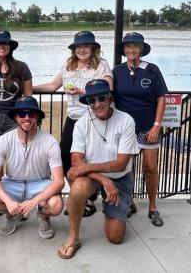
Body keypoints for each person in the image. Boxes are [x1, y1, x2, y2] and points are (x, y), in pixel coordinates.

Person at [33, 30, 113, 217]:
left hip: (93, 118)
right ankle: (79, 194)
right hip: (73, 118)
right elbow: (53, 86)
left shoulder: (101, 65)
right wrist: (29, 89)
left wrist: (84, 92)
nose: (82, 49)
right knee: (64, 157)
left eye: (86, 46)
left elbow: (109, 88)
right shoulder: (68, 65)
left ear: (93, 48)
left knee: (90, 159)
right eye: (78, 46)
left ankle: (89, 199)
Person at [57, 79, 139, 259]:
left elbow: (121, 163)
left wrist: (88, 168)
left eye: (101, 98)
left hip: (119, 177)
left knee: (115, 237)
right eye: (91, 100)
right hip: (94, 178)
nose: (97, 104)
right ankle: (73, 237)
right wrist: (103, 179)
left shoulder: (125, 121)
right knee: (77, 188)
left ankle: (115, 207)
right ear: (87, 103)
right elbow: (76, 161)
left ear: (110, 99)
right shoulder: (81, 124)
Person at [0, 96, 64, 238]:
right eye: (21, 114)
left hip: (40, 183)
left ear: (37, 117)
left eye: (31, 114)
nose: (26, 118)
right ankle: (12, 214)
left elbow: (59, 181)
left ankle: (43, 216)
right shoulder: (4, 140)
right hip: (13, 183)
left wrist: (34, 202)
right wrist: (8, 202)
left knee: (56, 205)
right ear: (15, 117)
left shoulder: (49, 141)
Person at [113, 32, 167, 226]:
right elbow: (109, 97)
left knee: (150, 168)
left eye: (135, 46)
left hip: (148, 128)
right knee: (127, 168)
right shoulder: (117, 71)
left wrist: (156, 125)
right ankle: (130, 202)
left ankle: (153, 207)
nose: (131, 49)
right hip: (125, 129)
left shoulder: (152, 70)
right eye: (128, 46)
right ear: (124, 49)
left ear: (142, 49)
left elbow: (161, 98)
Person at [0, 30, 33, 161]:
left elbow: (28, 97)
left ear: (10, 47)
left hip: (14, 119)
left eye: (4, 43)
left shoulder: (21, 67)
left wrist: (27, 117)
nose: (1, 47)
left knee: (17, 160)